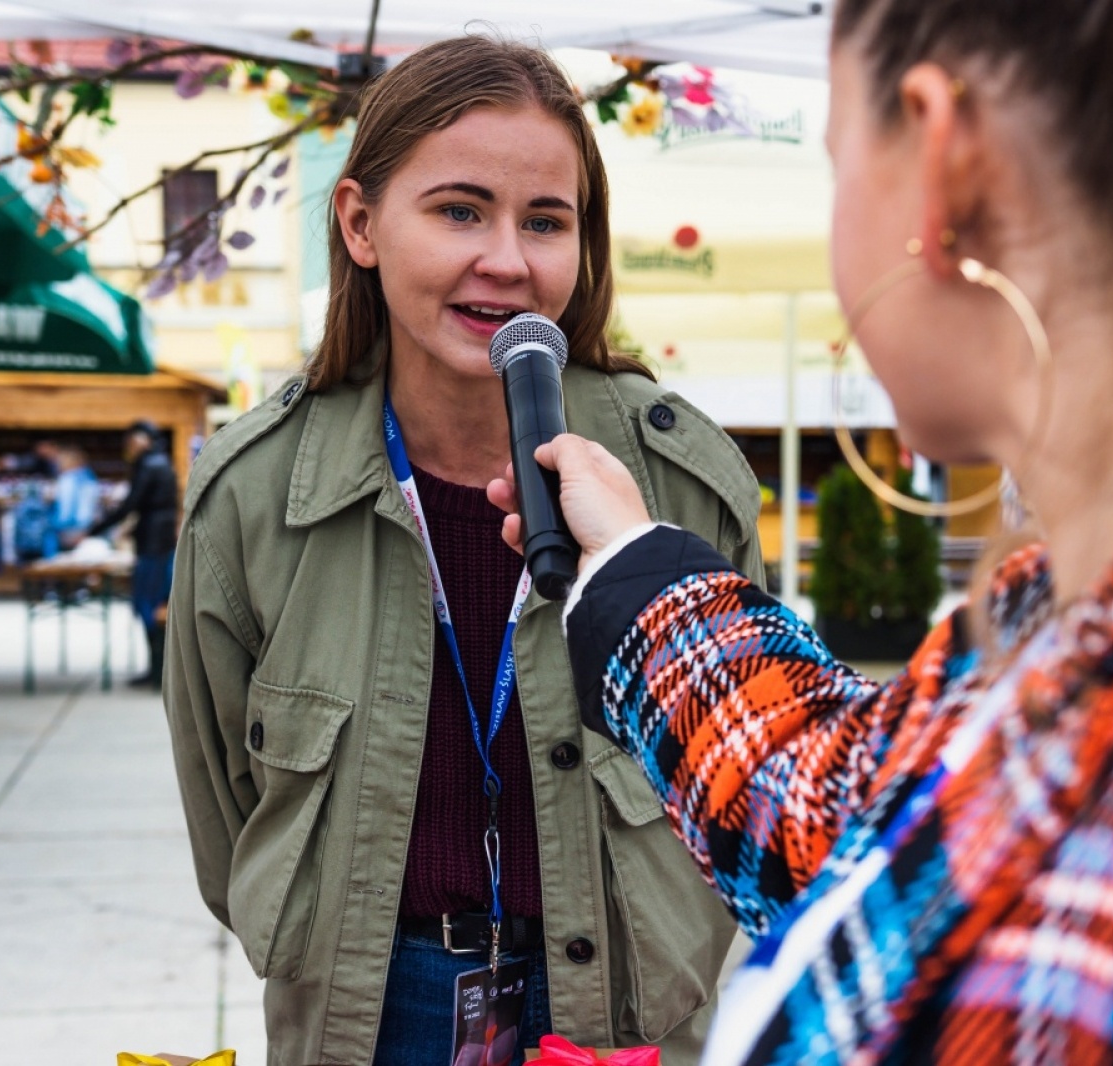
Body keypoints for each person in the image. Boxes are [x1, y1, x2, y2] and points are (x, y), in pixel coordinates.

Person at [508, 2, 1113, 1063]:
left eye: (838, 158)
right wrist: (630, 569)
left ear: (946, 163)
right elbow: (838, 810)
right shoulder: (1088, 605)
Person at [164, 35, 763, 1066]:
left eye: (545, 221)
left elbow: (741, 780)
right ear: (360, 222)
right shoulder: (250, 497)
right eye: (458, 210)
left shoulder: (684, 481)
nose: (508, 261)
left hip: (624, 1015)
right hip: (367, 1012)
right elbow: (225, 813)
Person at [88, 421, 177, 688]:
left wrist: (95, 530)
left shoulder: (150, 465)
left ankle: (158, 672)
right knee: (152, 606)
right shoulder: (160, 462)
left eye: (132, 440)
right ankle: (156, 671)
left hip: (154, 546)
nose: (129, 446)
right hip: (158, 542)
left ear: (143, 440)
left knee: (149, 607)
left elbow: (131, 504)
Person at [50, 444, 102, 552]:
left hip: (68, 528)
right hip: (87, 527)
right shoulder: (89, 477)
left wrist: (57, 526)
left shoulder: (67, 479)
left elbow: (66, 509)